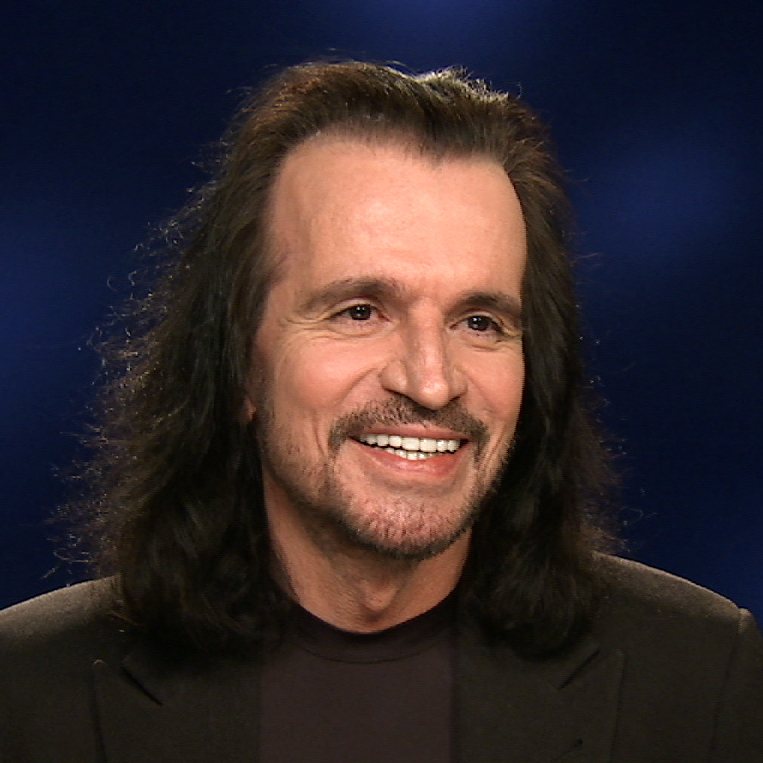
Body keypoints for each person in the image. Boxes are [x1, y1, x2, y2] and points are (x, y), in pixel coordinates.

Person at [1, 61, 761, 762]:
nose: (431, 382)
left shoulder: (701, 678)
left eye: (479, 322)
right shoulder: (23, 696)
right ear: (238, 364)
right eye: (360, 311)